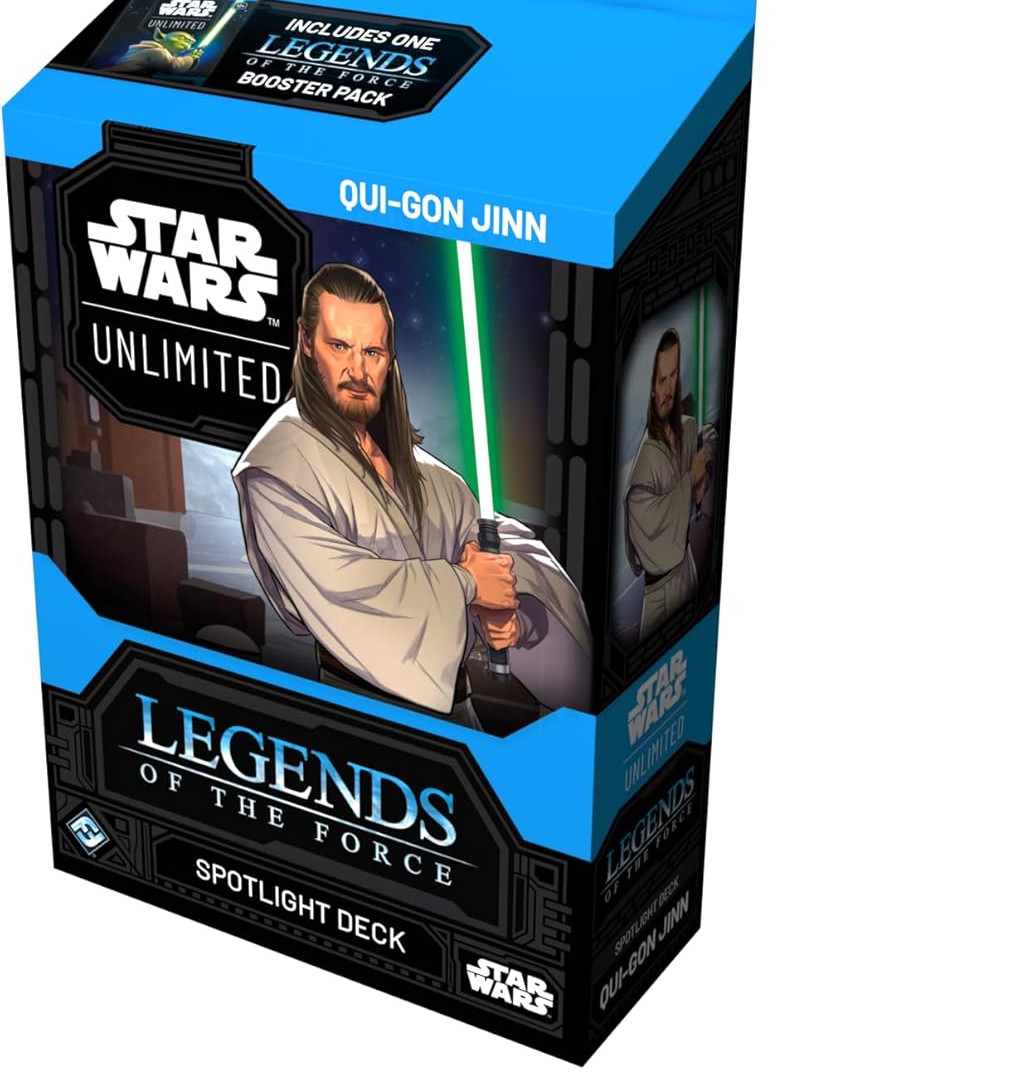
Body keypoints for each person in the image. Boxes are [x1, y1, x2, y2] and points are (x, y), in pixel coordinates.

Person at [233, 263, 591, 728]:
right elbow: (344, 588)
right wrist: (467, 583)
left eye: (373, 352)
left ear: (389, 358)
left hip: (458, 711)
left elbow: (505, 555)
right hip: (358, 712)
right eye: (339, 346)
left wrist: (514, 620)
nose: (357, 370)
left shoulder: (430, 476)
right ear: (306, 341)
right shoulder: (280, 461)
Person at [623, 327, 716, 641]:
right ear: (651, 387)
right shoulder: (647, 457)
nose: (668, 389)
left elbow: (706, 438)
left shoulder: (688, 430)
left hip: (685, 566)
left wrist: (704, 459)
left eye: (673, 376)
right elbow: (646, 520)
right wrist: (691, 479)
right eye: (661, 380)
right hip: (658, 588)